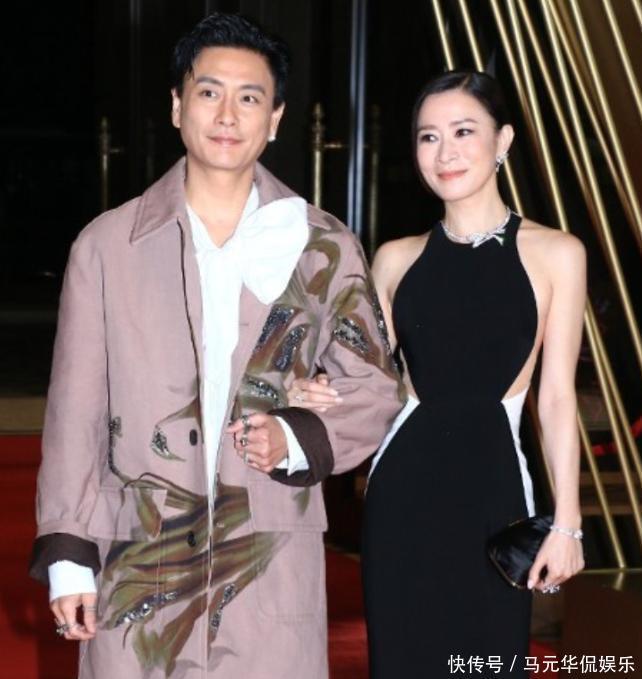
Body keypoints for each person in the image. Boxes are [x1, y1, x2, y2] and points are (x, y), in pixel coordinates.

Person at [29, 13, 404, 679]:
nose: (228, 114)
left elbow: (375, 385)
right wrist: (68, 553)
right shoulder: (108, 246)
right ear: (178, 106)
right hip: (139, 563)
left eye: (249, 97)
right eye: (209, 92)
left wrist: (297, 433)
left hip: (266, 559)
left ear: (276, 118)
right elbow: (74, 412)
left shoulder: (320, 245)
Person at [288, 70, 585, 677]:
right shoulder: (395, 259)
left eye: (463, 131)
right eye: (429, 137)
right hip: (403, 497)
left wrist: (569, 524)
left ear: (503, 140)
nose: (445, 152)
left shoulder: (558, 253)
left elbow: (556, 397)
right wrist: (310, 390)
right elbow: (364, 380)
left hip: (495, 493)